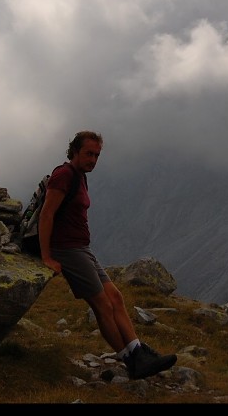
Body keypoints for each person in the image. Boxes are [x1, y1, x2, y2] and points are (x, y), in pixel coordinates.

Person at [38, 130, 177, 380]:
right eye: (89, 153)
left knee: (116, 297)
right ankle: (129, 360)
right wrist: (47, 256)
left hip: (82, 248)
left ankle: (138, 352)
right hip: (67, 249)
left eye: (97, 155)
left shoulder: (80, 176)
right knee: (101, 304)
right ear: (75, 152)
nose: (93, 159)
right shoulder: (64, 175)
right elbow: (46, 214)